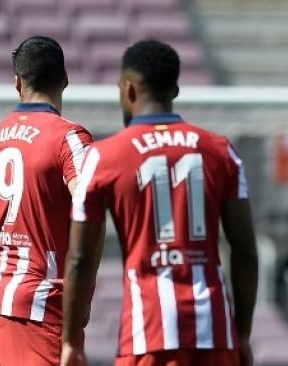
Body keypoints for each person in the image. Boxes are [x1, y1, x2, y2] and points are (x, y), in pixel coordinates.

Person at [61, 39, 259, 366]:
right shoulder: (221, 150)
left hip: (148, 332)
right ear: (175, 90)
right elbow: (246, 250)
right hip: (216, 333)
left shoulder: (103, 157)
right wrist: (244, 334)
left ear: (129, 89)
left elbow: (80, 259)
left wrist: (70, 342)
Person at [0, 35, 93, 366]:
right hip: (44, 303)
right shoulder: (69, 138)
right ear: (65, 79)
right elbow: (89, 204)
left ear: (17, 82)